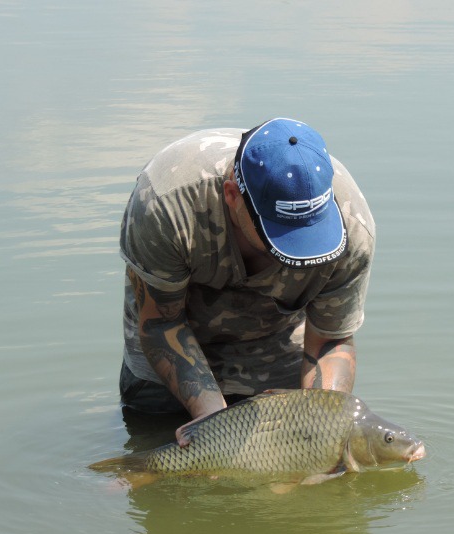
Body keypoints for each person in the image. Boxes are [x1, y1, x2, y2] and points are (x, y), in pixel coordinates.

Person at [118, 118, 375, 444]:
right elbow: (161, 324)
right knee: (155, 461)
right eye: (279, 233)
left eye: (308, 235)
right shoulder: (166, 202)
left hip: (275, 352)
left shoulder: (350, 228)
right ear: (231, 196)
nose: (289, 256)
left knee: (291, 466)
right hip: (171, 350)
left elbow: (329, 340)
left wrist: (321, 431)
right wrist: (216, 432)